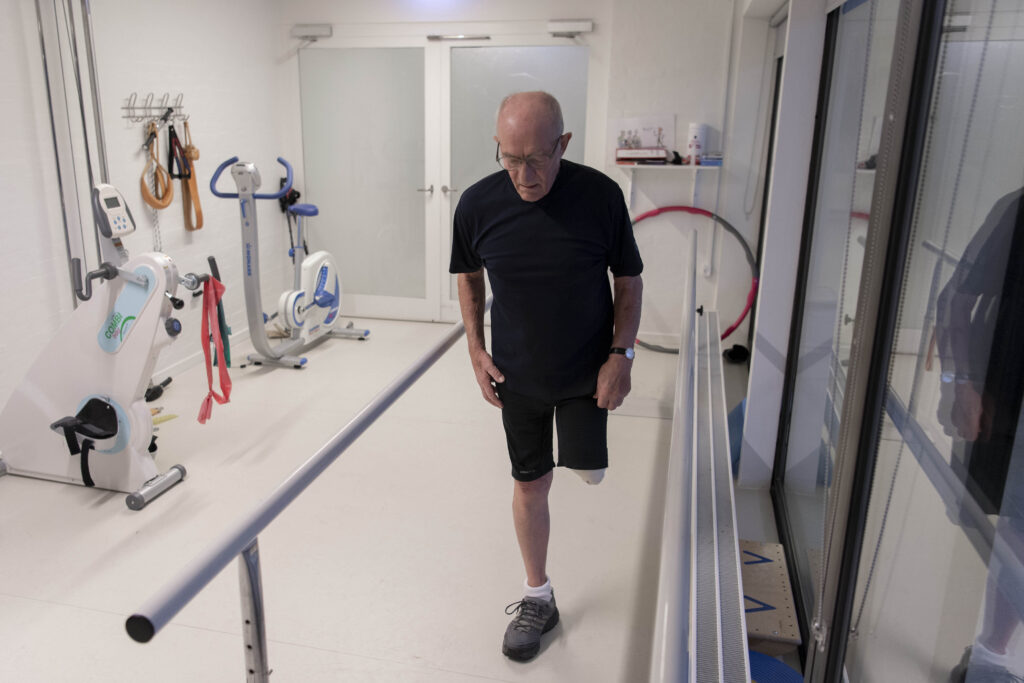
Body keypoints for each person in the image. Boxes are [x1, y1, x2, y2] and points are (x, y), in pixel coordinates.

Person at [449, 91, 644, 661]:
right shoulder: (477, 205)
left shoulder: (600, 196)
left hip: (588, 368)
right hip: (519, 374)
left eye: (537, 159)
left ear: (564, 144)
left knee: (590, 472)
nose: (524, 175)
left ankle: (584, 448)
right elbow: (468, 273)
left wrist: (622, 355)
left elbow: (628, 279)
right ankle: (539, 596)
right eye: (510, 159)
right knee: (531, 482)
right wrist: (475, 348)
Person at [935, 186, 1024, 682]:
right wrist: (960, 383)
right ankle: (991, 656)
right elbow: (955, 299)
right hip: (1012, 399)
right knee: (1020, 523)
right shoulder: (1020, 209)